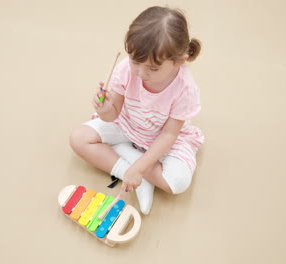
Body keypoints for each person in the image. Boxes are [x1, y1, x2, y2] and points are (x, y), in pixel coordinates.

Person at [69, 6, 204, 215]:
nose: (140, 73)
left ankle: (131, 160)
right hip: (127, 124)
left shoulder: (185, 89)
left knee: (177, 182)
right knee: (78, 138)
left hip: (162, 139)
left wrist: (141, 166)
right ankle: (132, 173)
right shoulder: (125, 70)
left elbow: (169, 134)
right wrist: (105, 110)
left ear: (179, 60)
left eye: (153, 68)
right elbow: (113, 114)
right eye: (135, 61)